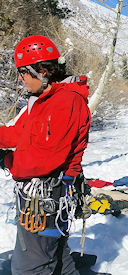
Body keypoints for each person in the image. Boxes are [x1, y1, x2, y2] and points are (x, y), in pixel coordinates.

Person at [0, 35, 92, 274]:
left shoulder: (65, 101)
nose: (20, 79)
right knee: (57, 256)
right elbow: (20, 135)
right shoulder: (43, 100)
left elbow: (43, 159)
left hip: (46, 193)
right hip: (43, 193)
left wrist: (7, 160)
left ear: (42, 70)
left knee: (31, 266)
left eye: (23, 72)